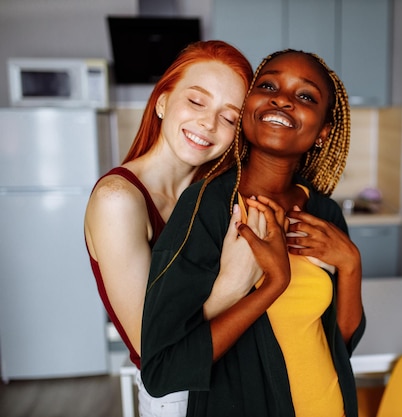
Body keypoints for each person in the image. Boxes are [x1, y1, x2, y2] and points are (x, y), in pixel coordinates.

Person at [141, 49, 365, 417]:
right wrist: (275, 282)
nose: (282, 98)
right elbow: (164, 370)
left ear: (323, 133)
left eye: (305, 96)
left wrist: (351, 265)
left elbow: (339, 346)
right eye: (268, 85)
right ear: (248, 108)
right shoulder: (206, 207)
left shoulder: (323, 212)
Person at [84, 40, 260, 417]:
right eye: (196, 101)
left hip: (234, 382)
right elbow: (154, 349)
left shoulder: (214, 196)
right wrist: (233, 286)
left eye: (229, 118)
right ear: (162, 101)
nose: (208, 124)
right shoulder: (118, 200)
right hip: (177, 395)